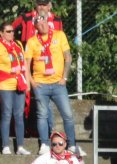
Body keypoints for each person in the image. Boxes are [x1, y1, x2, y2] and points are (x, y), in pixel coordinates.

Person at [24, 14, 78, 156]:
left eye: (44, 22)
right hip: (40, 84)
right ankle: (44, 143)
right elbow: (26, 64)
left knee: (67, 114)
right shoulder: (32, 41)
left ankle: (72, 144)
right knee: (42, 114)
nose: (42, 26)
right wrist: (32, 82)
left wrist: (65, 77)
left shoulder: (59, 35)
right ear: (35, 27)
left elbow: (68, 57)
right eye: (39, 24)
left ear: (48, 22)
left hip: (58, 83)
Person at [0, 20, 29, 155]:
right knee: (6, 114)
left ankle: (20, 146)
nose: (12, 33)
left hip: (20, 83)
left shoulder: (18, 44)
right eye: (8, 31)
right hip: (5, 84)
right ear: (1, 33)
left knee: (19, 115)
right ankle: (5, 145)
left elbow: (24, 65)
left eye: (13, 31)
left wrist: (27, 83)